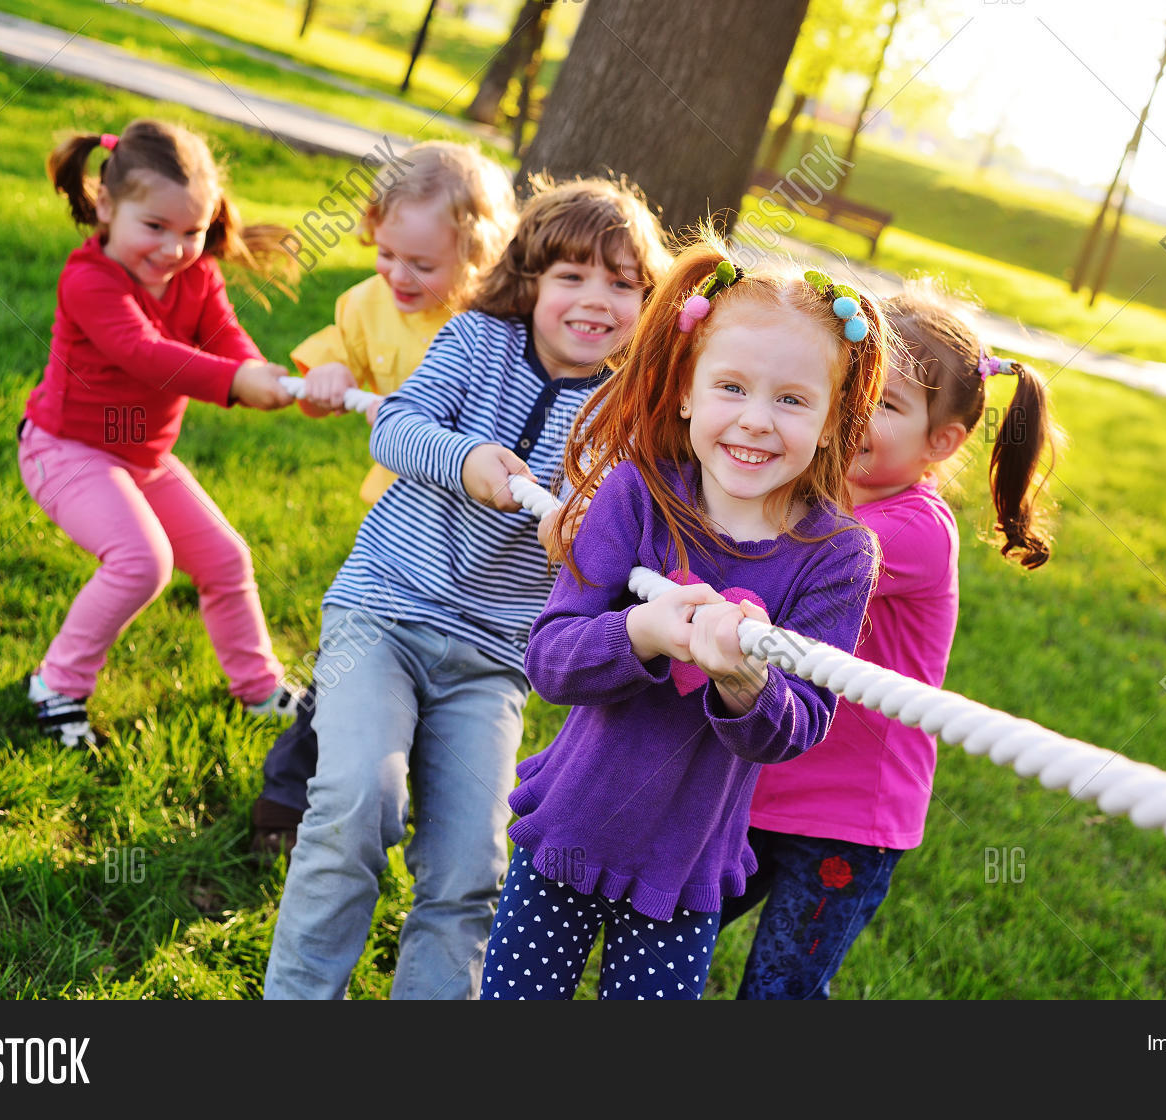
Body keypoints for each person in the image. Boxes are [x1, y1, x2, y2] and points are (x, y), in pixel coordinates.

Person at [262, 175, 673, 1000]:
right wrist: (467, 460)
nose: (595, 301)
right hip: (385, 611)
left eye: (622, 286)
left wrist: (586, 538)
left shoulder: (629, 414)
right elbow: (402, 423)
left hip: (492, 659)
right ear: (530, 281)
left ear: (648, 305)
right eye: (571, 277)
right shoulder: (477, 339)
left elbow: (619, 542)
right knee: (353, 806)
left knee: (470, 868)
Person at [479, 235, 894, 1000]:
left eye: (793, 400)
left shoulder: (838, 554)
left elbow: (796, 727)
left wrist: (743, 681)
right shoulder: (636, 494)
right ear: (686, 392)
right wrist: (645, 632)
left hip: (686, 871)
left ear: (836, 421)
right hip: (567, 834)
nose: (757, 421)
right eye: (731, 388)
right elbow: (552, 661)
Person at [724, 280, 1061, 999]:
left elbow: (779, 561)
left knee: (777, 992)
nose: (855, 414)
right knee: (667, 935)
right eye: (853, 387)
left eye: (887, 404)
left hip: (847, 819)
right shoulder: (820, 493)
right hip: (762, 780)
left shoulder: (911, 531)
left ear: (942, 441)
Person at [249, 141, 517, 860]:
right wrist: (331, 374)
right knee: (362, 656)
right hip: (400, 532)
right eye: (386, 254)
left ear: (477, 256)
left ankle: (424, 798)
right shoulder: (366, 305)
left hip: (482, 541)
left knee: (441, 674)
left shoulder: (498, 326)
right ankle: (286, 786)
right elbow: (323, 372)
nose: (398, 274)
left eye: (422, 265)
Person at [20, 118, 301, 749]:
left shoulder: (197, 276)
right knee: (143, 561)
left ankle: (258, 689)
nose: (174, 249)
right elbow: (143, 352)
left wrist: (253, 370)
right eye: (155, 228)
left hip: (141, 458)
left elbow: (224, 334)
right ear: (107, 206)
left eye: (192, 232)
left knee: (227, 559)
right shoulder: (89, 279)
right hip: (64, 450)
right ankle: (57, 684)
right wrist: (234, 383)